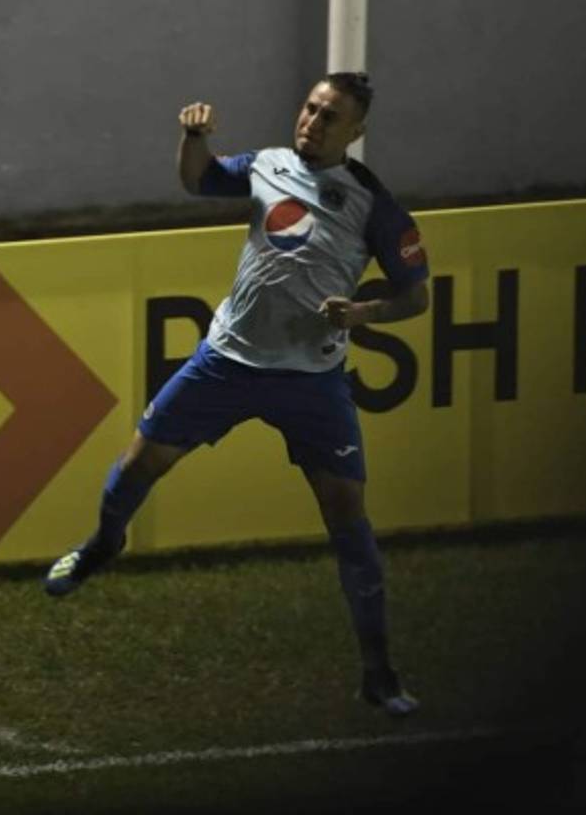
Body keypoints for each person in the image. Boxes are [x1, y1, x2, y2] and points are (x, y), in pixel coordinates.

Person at [44, 73, 430, 717]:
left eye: (330, 117)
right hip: (226, 362)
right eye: (310, 108)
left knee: (348, 524)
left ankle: (379, 673)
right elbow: (198, 180)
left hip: (311, 381)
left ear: (356, 132)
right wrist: (192, 137)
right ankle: (103, 545)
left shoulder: (376, 207)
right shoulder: (268, 166)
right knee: (139, 464)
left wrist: (362, 314)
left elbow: (416, 297)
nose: (312, 121)